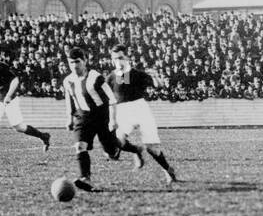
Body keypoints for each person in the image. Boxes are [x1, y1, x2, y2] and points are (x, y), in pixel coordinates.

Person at [63, 47, 145, 191]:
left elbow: (112, 99)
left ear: (85, 61)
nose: (74, 65)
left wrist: (112, 120)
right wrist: (69, 119)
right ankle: (85, 178)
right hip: (83, 117)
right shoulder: (68, 80)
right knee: (79, 146)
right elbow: (69, 99)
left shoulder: (95, 77)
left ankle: (136, 149)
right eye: (71, 62)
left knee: (112, 150)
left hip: (101, 116)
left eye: (77, 61)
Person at [109, 44, 177, 184]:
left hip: (140, 109)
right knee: (118, 142)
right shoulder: (110, 77)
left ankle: (168, 169)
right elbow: (107, 98)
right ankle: (136, 150)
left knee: (152, 148)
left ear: (127, 58)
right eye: (115, 59)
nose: (118, 61)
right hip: (122, 111)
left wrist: (156, 76)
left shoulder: (138, 74)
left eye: (121, 58)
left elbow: (158, 86)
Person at [0, 46, 51, 161]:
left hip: (10, 100)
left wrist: (9, 96)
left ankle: (44, 136)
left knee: (19, 127)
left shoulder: (2, 66)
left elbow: (15, 80)